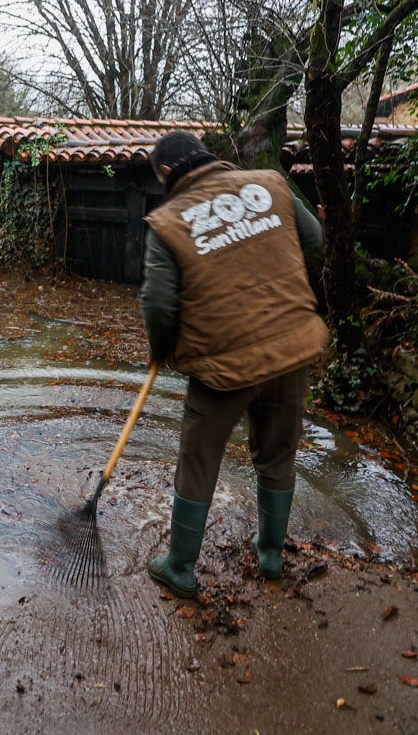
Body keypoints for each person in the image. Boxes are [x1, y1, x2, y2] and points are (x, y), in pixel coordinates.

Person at [140, 130, 328, 598]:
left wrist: (160, 348)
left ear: (166, 173)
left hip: (223, 364)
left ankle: (180, 567)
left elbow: (159, 305)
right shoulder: (270, 183)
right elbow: (315, 237)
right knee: (278, 451)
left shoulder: (169, 220)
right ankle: (270, 556)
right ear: (206, 155)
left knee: (199, 457)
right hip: (290, 346)